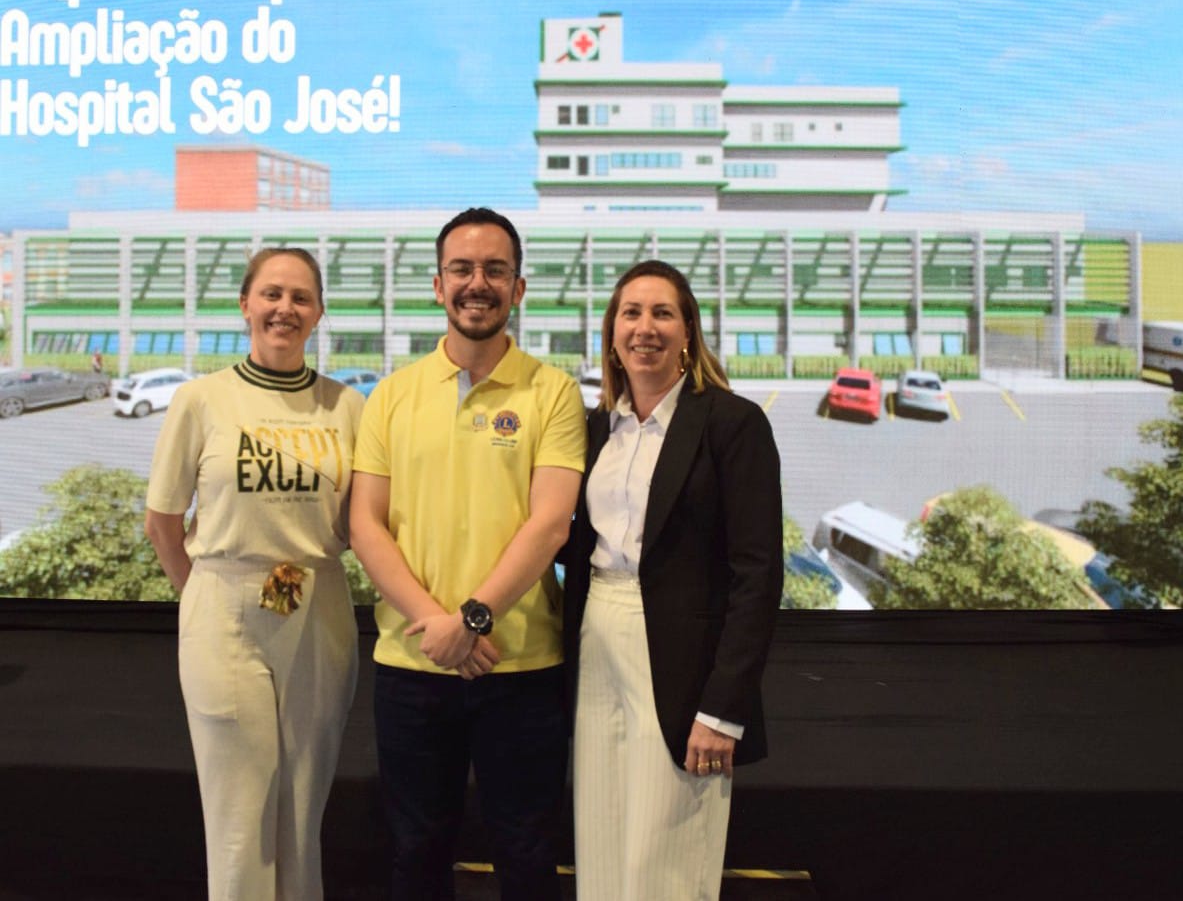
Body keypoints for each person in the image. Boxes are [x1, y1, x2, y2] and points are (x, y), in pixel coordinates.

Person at [349, 207, 586, 900]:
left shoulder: (553, 391)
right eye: (461, 269)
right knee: (416, 854)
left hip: (522, 667)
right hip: (412, 663)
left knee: (527, 856)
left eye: (494, 270)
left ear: (518, 288)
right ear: (437, 285)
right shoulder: (391, 394)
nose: (476, 283)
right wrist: (439, 626)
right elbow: (365, 525)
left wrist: (473, 619)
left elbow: (550, 523)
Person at [144, 247, 365, 901]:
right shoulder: (200, 400)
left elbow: (364, 525)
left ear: (318, 312)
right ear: (245, 304)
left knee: (302, 809)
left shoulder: (348, 407)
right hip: (223, 607)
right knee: (239, 816)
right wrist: (206, 599)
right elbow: (162, 523)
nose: (284, 309)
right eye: (271, 294)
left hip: (318, 606)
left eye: (300, 297)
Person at [562, 259, 783, 901]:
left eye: (663, 313)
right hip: (597, 642)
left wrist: (723, 710)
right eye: (631, 313)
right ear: (612, 333)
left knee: (665, 862)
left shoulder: (732, 423)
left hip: (684, 667)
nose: (645, 328)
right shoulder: (595, 429)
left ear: (689, 332)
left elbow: (757, 575)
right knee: (601, 845)